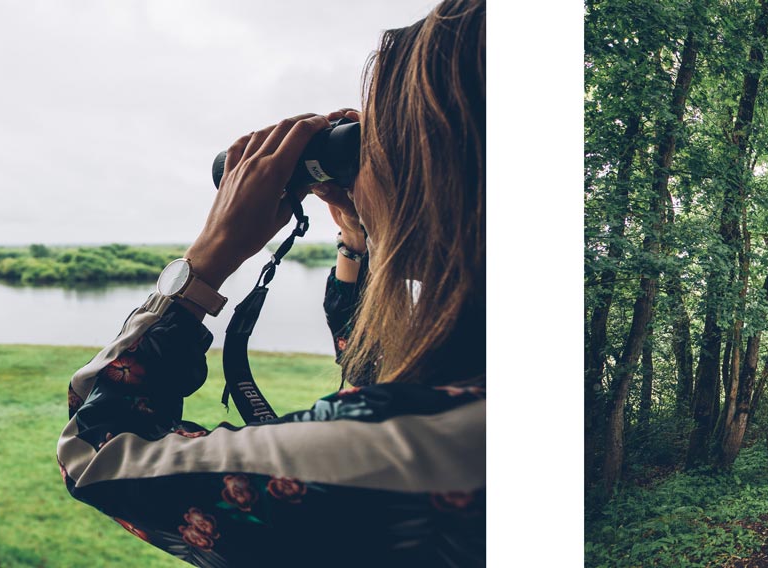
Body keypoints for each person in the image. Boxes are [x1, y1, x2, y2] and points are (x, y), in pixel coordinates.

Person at [54, 1, 484, 565]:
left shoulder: (401, 447)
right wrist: (356, 235)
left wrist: (207, 259)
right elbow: (373, 369)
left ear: (436, 175)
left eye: (374, 147)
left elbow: (96, 454)